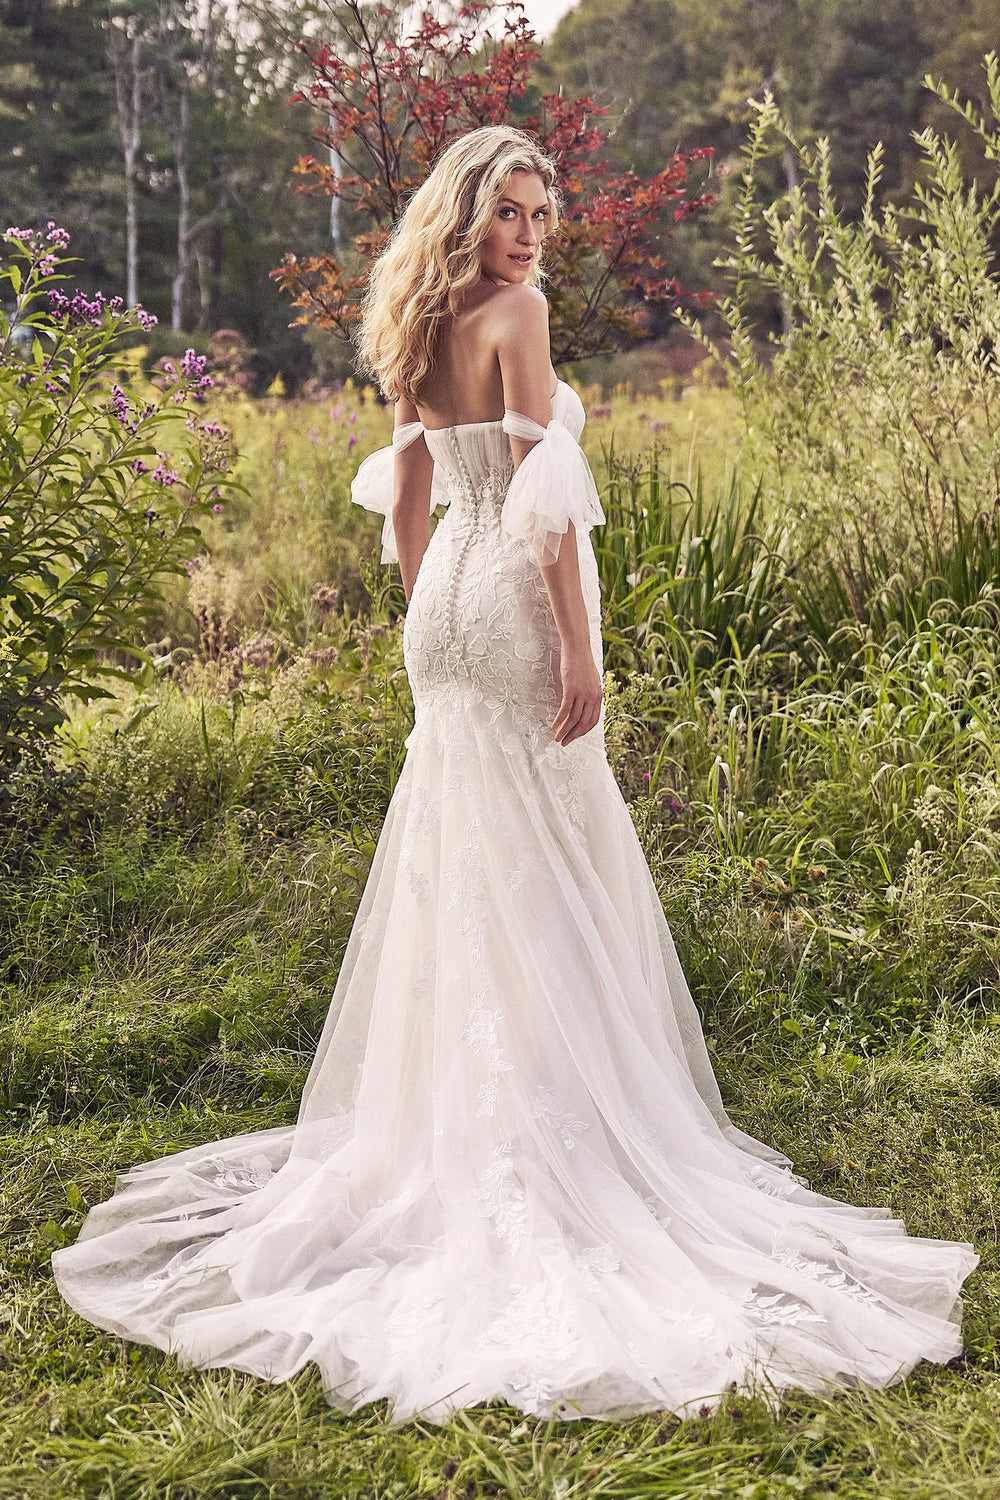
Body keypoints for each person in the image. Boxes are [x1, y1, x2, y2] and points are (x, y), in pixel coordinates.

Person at [52, 125, 978, 1424]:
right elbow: (546, 493)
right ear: (469, 216)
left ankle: (458, 1118)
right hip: (510, 600)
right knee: (545, 845)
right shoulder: (520, 316)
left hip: (444, 605)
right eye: (511, 214)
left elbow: (409, 487)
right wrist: (582, 651)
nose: (532, 238)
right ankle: (544, 1126)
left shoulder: (415, 315)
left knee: (467, 857)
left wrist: (419, 604)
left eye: (542, 216)